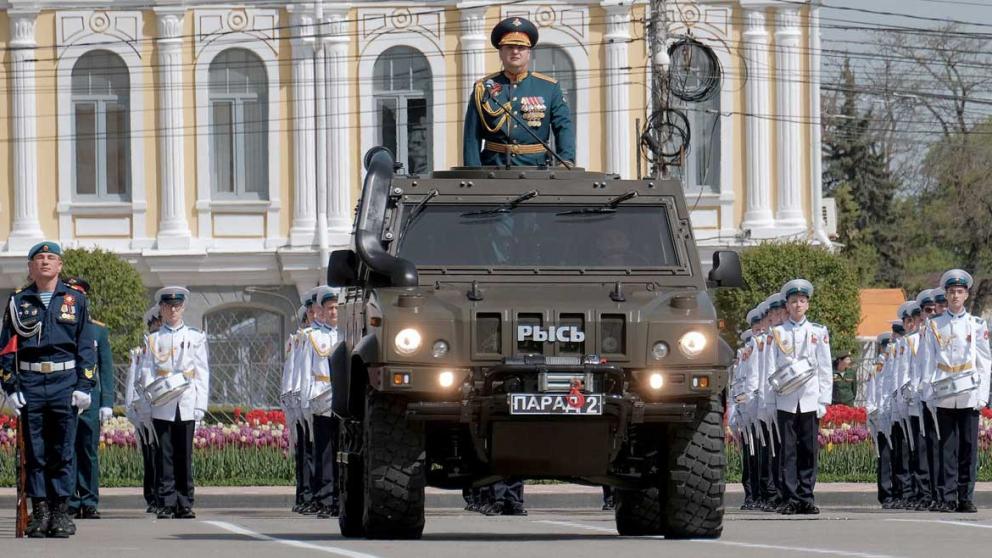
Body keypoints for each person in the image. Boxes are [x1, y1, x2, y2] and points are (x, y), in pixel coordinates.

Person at [0, 241, 97, 538]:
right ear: (30, 267)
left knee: (63, 450)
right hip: (30, 384)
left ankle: (60, 512)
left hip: (64, 384)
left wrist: (85, 384)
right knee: (35, 452)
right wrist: (10, 387)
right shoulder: (18, 302)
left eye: (50, 257)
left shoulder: (75, 301)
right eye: (39, 258)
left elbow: (85, 347)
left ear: (60, 265)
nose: (45, 262)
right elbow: (6, 348)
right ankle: (39, 511)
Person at [917, 269, 990, 513]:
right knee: (946, 447)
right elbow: (927, 360)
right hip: (944, 392)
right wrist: (926, 391)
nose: (955, 296)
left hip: (969, 392)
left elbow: (984, 361)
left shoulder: (977, 325)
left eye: (960, 292)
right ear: (946, 296)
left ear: (967, 295)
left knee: (968, 447)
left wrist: (983, 394)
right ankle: (948, 496)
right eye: (951, 292)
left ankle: (965, 496)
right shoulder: (935, 325)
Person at [463, 16, 575, 167]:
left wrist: (566, 160)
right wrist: (473, 171)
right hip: (493, 168)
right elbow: (472, 136)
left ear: (529, 53)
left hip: (536, 169)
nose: (515, 52)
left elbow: (563, 127)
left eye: (521, 48)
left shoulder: (549, 87)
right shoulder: (483, 88)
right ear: (500, 53)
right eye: (509, 47)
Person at [139, 286, 209, 519]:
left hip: (187, 399)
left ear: (183, 307)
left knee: (184, 454)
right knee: (164, 453)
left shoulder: (195, 336)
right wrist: (149, 400)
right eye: (168, 306)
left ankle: (185, 501)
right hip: (162, 401)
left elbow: (202, 372)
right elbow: (147, 371)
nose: (172, 310)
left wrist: (200, 404)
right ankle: (167, 501)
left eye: (177, 306)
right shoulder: (153, 339)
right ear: (161, 308)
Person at [770, 279, 832, 515]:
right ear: (787, 305)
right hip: (786, 398)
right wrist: (769, 402)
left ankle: (806, 496)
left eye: (802, 301)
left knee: (808, 449)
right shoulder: (777, 333)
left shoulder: (817, 331)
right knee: (787, 450)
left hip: (809, 398)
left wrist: (823, 400)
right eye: (794, 301)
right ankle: (790, 497)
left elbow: (826, 367)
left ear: (808, 304)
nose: (798, 305)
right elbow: (771, 368)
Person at [65, 277, 114, 520]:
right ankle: (71, 501)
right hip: (65, 395)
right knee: (68, 450)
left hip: (91, 398)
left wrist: (107, 402)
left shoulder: (98, 330)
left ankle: (90, 500)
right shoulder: (61, 325)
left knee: (88, 451)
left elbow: (106, 368)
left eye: (79, 295)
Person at [303, 286, 341, 518]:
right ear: (322, 312)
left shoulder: (349, 334)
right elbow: (306, 371)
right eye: (329, 308)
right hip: (321, 396)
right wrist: (307, 402)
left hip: (344, 399)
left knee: (343, 451)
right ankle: (326, 498)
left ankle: (342, 497)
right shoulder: (313, 337)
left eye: (337, 307)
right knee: (324, 451)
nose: (334, 312)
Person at [127, 307, 162, 514]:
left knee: (165, 454)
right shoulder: (141, 354)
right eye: (155, 325)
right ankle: (152, 496)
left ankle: (166, 494)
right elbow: (133, 383)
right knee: (151, 456)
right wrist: (134, 411)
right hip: (145, 411)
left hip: (164, 408)